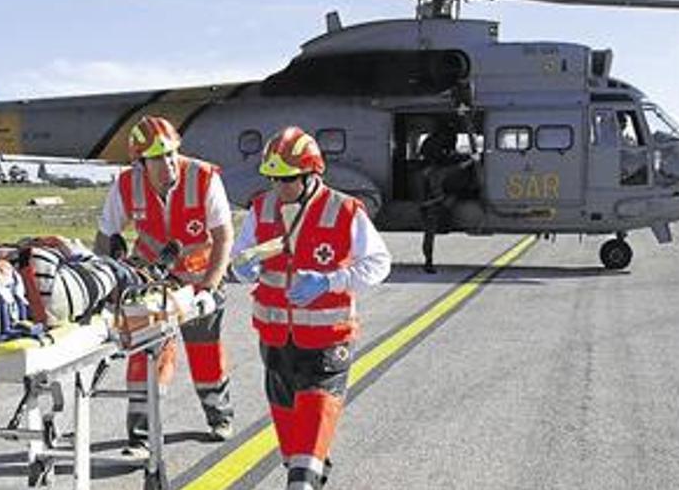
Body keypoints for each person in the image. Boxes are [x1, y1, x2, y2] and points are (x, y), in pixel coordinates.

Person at [231, 126, 391, 489]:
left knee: (302, 466)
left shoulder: (345, 210)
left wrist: (330, 280)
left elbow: (379, 264)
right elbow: (241, 258)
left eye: (287, 180)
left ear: (311, 175)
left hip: (327, 342)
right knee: (293, 448)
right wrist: (243, 267)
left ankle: (305, 477)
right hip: (275, 342)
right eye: (273, 179)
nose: (279, 188)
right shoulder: (262, 207)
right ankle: (310, 471)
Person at [93, 115, 235, 457]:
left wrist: (210, 287)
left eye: (171, 153)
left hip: (201, 279)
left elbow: (223, 236)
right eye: (158, 157)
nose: (168, 162)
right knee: (146, 353)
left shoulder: (203, 177)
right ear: (140, 162)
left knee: (205, 353)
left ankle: (219, 415)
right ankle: (140, 437)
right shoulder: (126, 184)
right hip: (153, 283)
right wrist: (109, 282)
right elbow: (104, 236)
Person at [418, 126, 472, 273]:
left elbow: (455, 168)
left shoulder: (426, 173)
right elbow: (455, 169)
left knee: (429, 234)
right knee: (430, 232)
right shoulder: (436, 173)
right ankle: (428, 262)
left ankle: (428, 261)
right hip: (432, 205)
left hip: (428, 205)